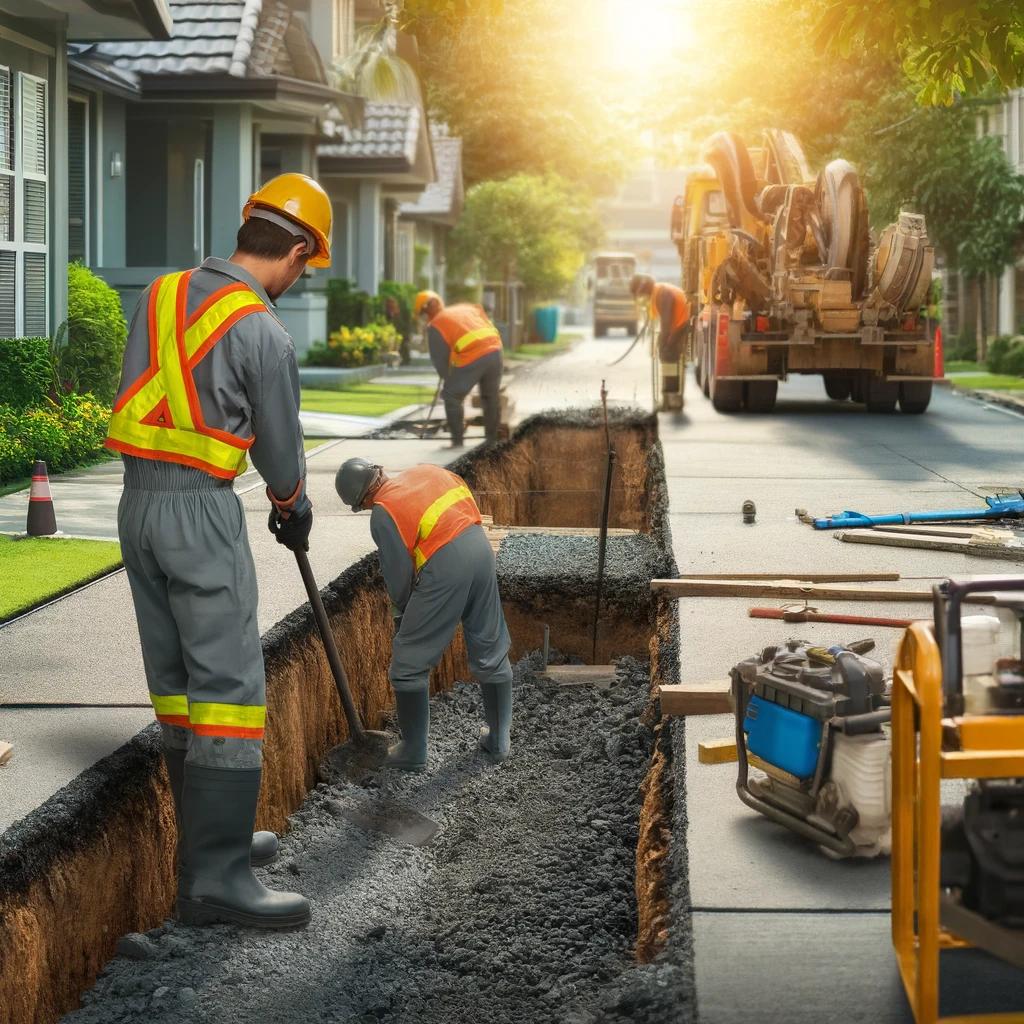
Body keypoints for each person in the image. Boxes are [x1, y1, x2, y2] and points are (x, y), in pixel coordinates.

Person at [105, 172, 333, 929]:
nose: (299, 279)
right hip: (201, 514)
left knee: (178, 687)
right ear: (297, 249)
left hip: (137, 507)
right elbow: (280, 454)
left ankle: (210, 844)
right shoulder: (262, 330)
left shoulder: (161, 293)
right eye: (306, 265)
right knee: (231, 694)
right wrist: (291, 507)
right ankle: (218, 879)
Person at [334, 457, 513, 771]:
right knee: (489, 647)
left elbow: (399, 579)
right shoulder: (424, 471)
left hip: (446, 566)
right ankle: (498, 741)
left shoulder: (382, 512)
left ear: (362, 500)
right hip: (480, 550)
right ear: (379, 471)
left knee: (408, 663)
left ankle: (413, 752)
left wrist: (403, 616)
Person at [415, 290, 504, 448]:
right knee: (490, 397)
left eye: (422, 314)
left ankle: (457, 442)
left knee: (451, 395)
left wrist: (449, 381)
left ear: (426, 310)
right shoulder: (466, 308)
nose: (424, 318)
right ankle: (492, 441)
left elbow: (441, 363)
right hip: (495, 350)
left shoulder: (436, 324)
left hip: (475, 355)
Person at [630, 274, 691, 411]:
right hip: (679, 323)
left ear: (642, 288)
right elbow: (659, 322)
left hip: (681, 323)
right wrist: (660, 341)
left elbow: (667, 322)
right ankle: (670, 398)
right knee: (667, 355)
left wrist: (664, 341)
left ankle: (672, 399)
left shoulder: (662, 294)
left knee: (668, 355)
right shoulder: (657, 292)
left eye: (639, 294)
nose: (641, 298)